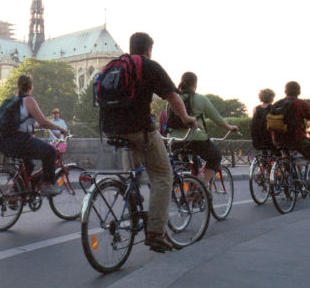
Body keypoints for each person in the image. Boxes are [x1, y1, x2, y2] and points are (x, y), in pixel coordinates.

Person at [99, 32, 197, 253]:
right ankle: (155, 232)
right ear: (148, 49)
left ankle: (132, 206)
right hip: (138, 128)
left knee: (133, 175)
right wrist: (186, 118)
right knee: (163, 175)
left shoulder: (116, 66)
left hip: (112, 129)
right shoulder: (149, 66)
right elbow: (173, 97)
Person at [0, 75, 69, 197]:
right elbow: (44, 122)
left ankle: (17, 194)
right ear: (31, 87)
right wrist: (61, 129)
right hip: (19, 141)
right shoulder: (28, 100)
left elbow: (22, 123)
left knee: (29, 165)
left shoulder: (14, 100)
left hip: (3, 140)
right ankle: (46, 184)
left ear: (18, 86)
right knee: (51, 151)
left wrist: (37, 126)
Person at [168, 72, 239, 187]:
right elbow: (217, 118)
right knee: (216, 156)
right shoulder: (200, 99)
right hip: (196, 140)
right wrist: (230, 127)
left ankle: (188, 191)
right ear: (195, 84)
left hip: (175, 141)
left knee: (184, 165)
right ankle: (204, 184)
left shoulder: (173, 100)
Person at [270, 81, 310, 197]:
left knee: (286, 158)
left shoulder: (277, 104)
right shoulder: (300, 104)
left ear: (285, 91)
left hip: (278, 139)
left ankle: (283, 177)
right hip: (296, 139)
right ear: (299, 91)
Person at [250, 88, 279, 156]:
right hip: (269, 139)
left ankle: (264, 165)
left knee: (264, 155)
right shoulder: (273, 109)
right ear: (271, 97)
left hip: (257, 139)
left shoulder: (256, 109)